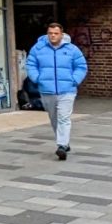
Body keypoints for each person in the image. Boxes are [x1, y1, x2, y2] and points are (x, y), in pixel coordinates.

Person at [24, 20, 88, 160]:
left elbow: (81, 66)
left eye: (55, 33)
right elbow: (30, 64)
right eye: (50, 33)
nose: (53, 36)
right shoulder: (38, 48)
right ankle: (64, 142)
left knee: (64, 118)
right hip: (47, 90)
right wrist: (37, 78)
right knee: (54, 118)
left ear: (61, 34)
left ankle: (61, 145)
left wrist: (74, 80)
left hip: (67, 90)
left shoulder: (72, 49)